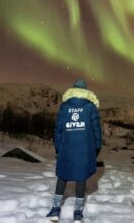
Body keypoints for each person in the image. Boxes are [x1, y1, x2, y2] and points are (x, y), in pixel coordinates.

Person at [46, 79, 102, 223]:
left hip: (66, 147)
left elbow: (58, 129)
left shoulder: (65, 106)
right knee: (81, 176)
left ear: (72, 90)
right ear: (86, 92)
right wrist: (96, 147)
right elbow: (96, 129)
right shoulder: (90, 107)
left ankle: (55, 210)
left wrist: (58, 147)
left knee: (62, 175)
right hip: (84, 148)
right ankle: (77, 213)